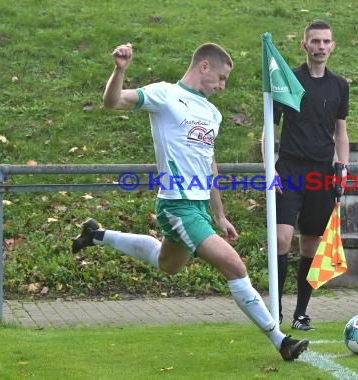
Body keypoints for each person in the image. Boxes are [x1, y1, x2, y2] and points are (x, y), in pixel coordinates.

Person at [71, 42, 309, 361]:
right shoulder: (164, 94)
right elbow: (112, 102)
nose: (223, 86)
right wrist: (120, 70)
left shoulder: (212, 113)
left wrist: (220, 215)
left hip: (198, 207)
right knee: (234, 266)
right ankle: (280, 340)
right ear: (204, 67)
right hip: (176, 205)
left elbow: (208, 165)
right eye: (221, 78)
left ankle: (96, 235)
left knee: (165, 262)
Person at [262, 20, 350, 331]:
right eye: (315, 41)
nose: (321, 47)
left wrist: (343, 165)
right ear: (305, 45)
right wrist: (269, 166)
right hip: (288, 170)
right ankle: (276, 309)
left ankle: (300, 313)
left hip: (322, 174)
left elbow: (341, 132)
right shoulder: (288, 81)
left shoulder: (339, 86)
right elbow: (268, 129)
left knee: (310, 246)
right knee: (282, 238)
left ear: (333, 46)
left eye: (326, 41)